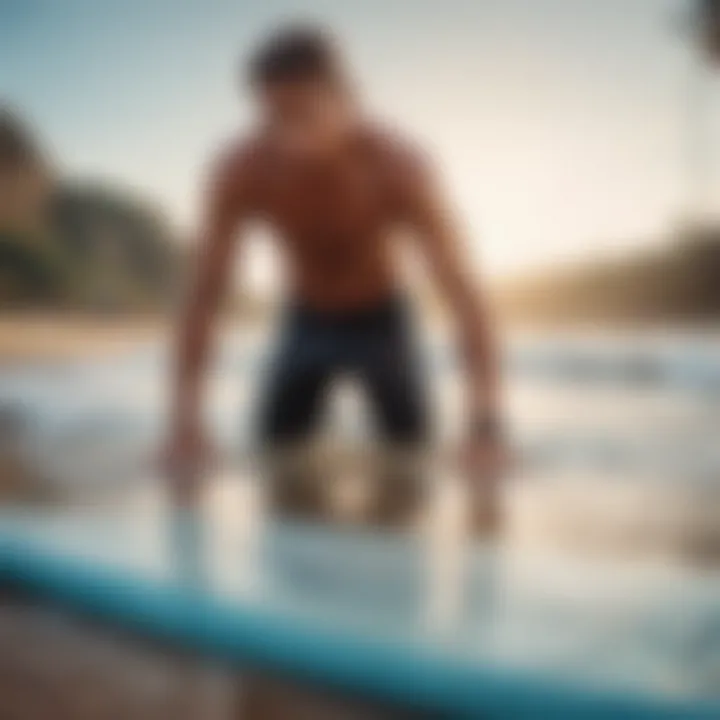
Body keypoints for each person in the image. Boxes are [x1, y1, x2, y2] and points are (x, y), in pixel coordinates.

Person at [163, 24, 505, 526]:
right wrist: (185, 425)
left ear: (349, 100)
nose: (287, 136)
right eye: (273, 117)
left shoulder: (400, 168)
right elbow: (204, 295)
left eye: (304, 114)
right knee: (273, 459)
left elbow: (463, 293)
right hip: (306, 320)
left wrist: (485, 427)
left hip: (383, 320)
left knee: (411, 462)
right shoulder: (241, 170)